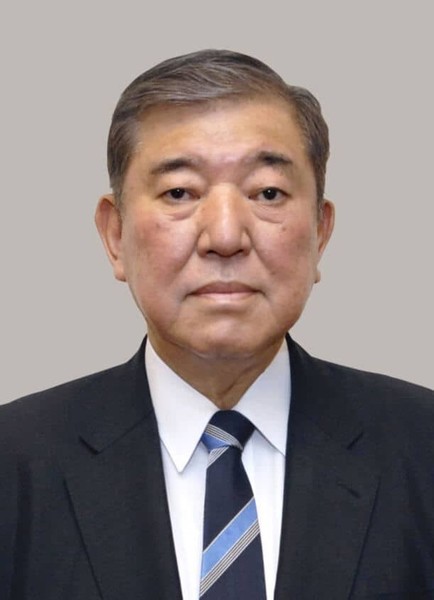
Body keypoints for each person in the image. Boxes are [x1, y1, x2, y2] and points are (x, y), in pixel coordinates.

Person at [1, 49, 433, 600]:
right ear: (115, 235)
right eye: (179, 192)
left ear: (320, 233)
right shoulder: (14, 463)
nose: (225, 236)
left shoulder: (422, 447)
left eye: (268, 193)